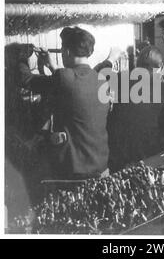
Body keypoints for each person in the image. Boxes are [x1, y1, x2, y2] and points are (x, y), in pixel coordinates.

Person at [17, 26, 120, 179]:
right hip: (101, 169)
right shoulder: (101, 78)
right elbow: (74, 86)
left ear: (66, 52)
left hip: (74, 172)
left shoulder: (63, 77)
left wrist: (20, 57)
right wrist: (51, 66)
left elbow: (26, 79)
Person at [106, 46, 164, 172]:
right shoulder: (162, 86)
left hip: (120, 152)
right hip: (149, 154)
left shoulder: (121, 79)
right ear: (159, 67)